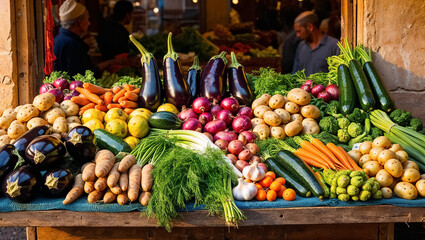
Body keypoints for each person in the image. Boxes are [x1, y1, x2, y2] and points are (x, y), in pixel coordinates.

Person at [54, 0, 124, 77]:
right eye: (87, 19)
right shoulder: (72, 45)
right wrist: (110, 63)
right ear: (80, 22)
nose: (89, 23)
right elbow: (82, 76)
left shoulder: (59, 39)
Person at [291, 11, 339, 75]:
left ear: (310, 27)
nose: (297, 35)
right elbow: (295, 73)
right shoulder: (301, 46)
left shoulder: (334, 45)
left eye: (299, 31)